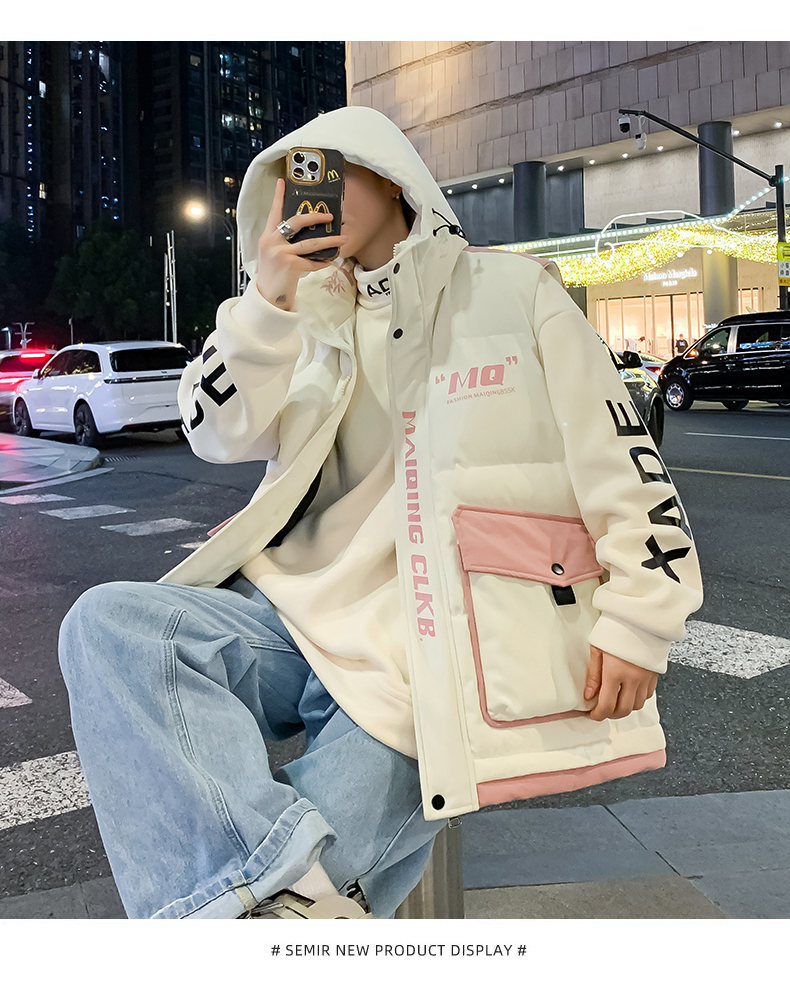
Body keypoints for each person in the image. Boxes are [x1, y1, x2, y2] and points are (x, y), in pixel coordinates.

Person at [58, 106, 704, 920]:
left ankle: (257, 898)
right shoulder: (294, 318)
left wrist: (640, 620)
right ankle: (264, 893)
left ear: (392, 176)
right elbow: (212, 433)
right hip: (288, 620)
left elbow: (626, 462)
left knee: (282, 901)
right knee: (108, 626)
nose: (312, 196)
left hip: (432, 647)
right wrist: (269, 299)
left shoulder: (513, 292)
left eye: (330, 171)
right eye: (293, 184)